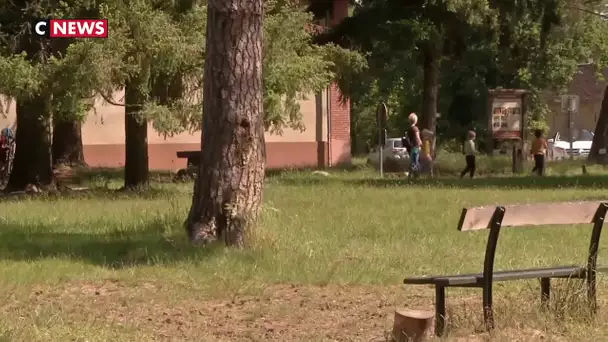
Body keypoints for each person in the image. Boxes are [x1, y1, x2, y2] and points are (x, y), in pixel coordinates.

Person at [406, 113, 422, 179]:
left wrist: (410, 144)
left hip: (412, 147)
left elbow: (407, 138)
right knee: (415, 161)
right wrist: (420, 143)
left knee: (412, 160)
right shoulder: (416, 129)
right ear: (416, 121)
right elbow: (417, 137)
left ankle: (410, 175)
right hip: (416, 146)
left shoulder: (408, 129)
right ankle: (416, 175)